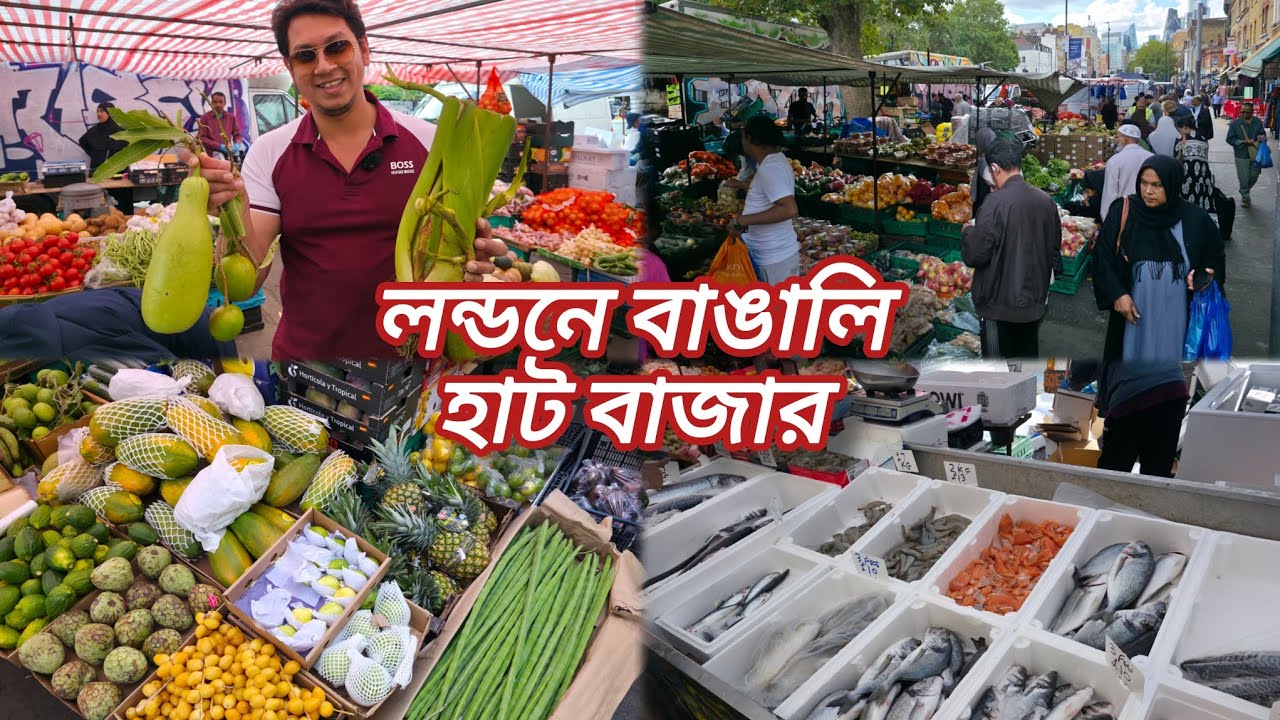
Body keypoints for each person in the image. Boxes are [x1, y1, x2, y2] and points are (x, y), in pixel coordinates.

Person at [186, 0, 504, 360]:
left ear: (365, 49)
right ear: (290, 68)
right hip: (306, 367)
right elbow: (246, 285)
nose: (324, 66)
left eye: (337, 47)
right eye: (305, 56)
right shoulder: (269, 152)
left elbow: (450, 257)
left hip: (409, 369)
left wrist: (471, 261)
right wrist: (231, 208)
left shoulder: (431, 144)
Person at [1093, 155, 1225, 363]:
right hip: (1133, 318)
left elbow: (1214, 258)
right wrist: (1117, 294)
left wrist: (1206, 276)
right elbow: (1102, 256)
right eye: (1144, 183)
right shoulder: (1123, 211)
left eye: (1157, 185)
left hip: (1178, 321)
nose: (1148, 191)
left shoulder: (1196, 218)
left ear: (1172, 185)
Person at [960, 137, 1062, 359]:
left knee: (998, 368)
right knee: (1024, 362)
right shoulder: (1045, 200)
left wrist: (968, 232)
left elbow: (976, 254)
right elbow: (1055, 248)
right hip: (1034, 301)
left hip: (999, 305)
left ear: (994, 168)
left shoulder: (994, 202)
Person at [730, 115, 798, 284]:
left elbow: (789, 209)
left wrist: (742, 220)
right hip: (773, 256)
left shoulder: (771, 167)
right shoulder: (772, 161)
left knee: (776, 308)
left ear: (749, 138)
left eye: (743, 135)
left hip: (774, 259)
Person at [1094, 360, 1190, 478]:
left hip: (1131, 395)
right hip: (1173, 391)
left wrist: (1073, 383)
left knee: (1113, 470)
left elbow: (1082, 364)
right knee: (1157, 470)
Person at [1100, 122, 1153, 222]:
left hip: (1124, 213)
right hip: (1148, 209)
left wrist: (1107, 220)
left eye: (1118, 137)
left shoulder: (1115, 161)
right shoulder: (1151, 157)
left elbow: (1110, 194)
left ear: (1125, 139)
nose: (1116, 140)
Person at [1226, 101, 1266, 207]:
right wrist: (1242, 142)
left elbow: (1262, 134)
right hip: (1241, 154)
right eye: (1242, 112)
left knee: (1254, 176)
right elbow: (1229, 139)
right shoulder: (1235, 123)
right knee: (1243, 178)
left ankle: (1244, 189)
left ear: (1252, 112)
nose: (1244, 114)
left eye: (1247, 112)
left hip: (1255, 153)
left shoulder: (1257, 121)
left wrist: (1261, 137)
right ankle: (1245, 197)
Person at [1176, 115, 1216, 216]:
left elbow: (1176, 159)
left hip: (1187, 176)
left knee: (1187, 204)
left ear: (1185, 127)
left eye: (1180, 130)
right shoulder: (1204, 139)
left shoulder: (1181, 140)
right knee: (1202, 202)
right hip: (1204, 176)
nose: (1180, 133)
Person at [78, 102, 127, 171]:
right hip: (97, 170)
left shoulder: (121, 132)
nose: (98, 114)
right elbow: (83, 142)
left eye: (102, 111)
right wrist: (95, 154)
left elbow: (126, 151)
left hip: (117, 172)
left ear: (110, 112)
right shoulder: (95, 130)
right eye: (97, 111)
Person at [197, 91, 246, 159]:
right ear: (211, 103)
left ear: (225, 103)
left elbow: (237, 135)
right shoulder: (205, 118)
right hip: (209, 155)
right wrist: (219, 146)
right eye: (215, 102)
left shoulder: (231, 117)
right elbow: (201, 138)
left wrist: (237, 144)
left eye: (221, 102)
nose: (218, 105)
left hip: (226, 156)